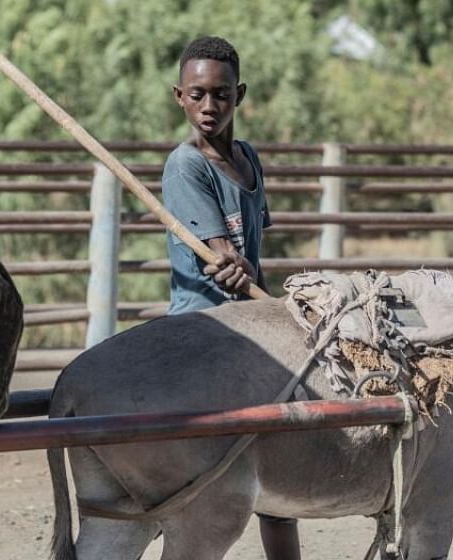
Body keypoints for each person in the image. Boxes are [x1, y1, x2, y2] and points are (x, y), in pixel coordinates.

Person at [160, 36, 301, 560]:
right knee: (207, 487)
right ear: (179, 96)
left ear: (239, 95)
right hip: (207, 330)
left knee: (280, 488)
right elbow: (220, 256)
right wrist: (227, 263)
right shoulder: (185, 166)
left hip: (253, 326)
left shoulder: (247, 158)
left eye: (220, 95)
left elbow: (250, 248)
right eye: (197, 95)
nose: (208, 107)